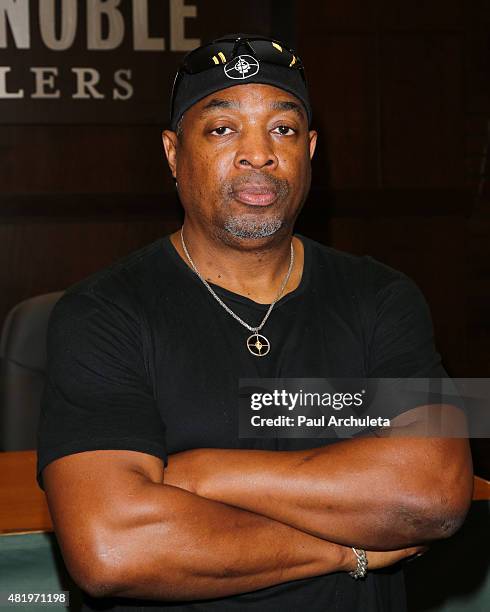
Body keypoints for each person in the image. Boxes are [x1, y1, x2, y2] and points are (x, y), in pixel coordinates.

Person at [37, 34, 473, 611]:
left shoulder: (384, 296)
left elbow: (433, 495)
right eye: (222, 129)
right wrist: (347, 552)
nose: (258, 153)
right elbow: (113, 549)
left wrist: (202, 476)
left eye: (284, 129)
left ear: (310, 149)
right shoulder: (101, 312)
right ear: (172, 153)